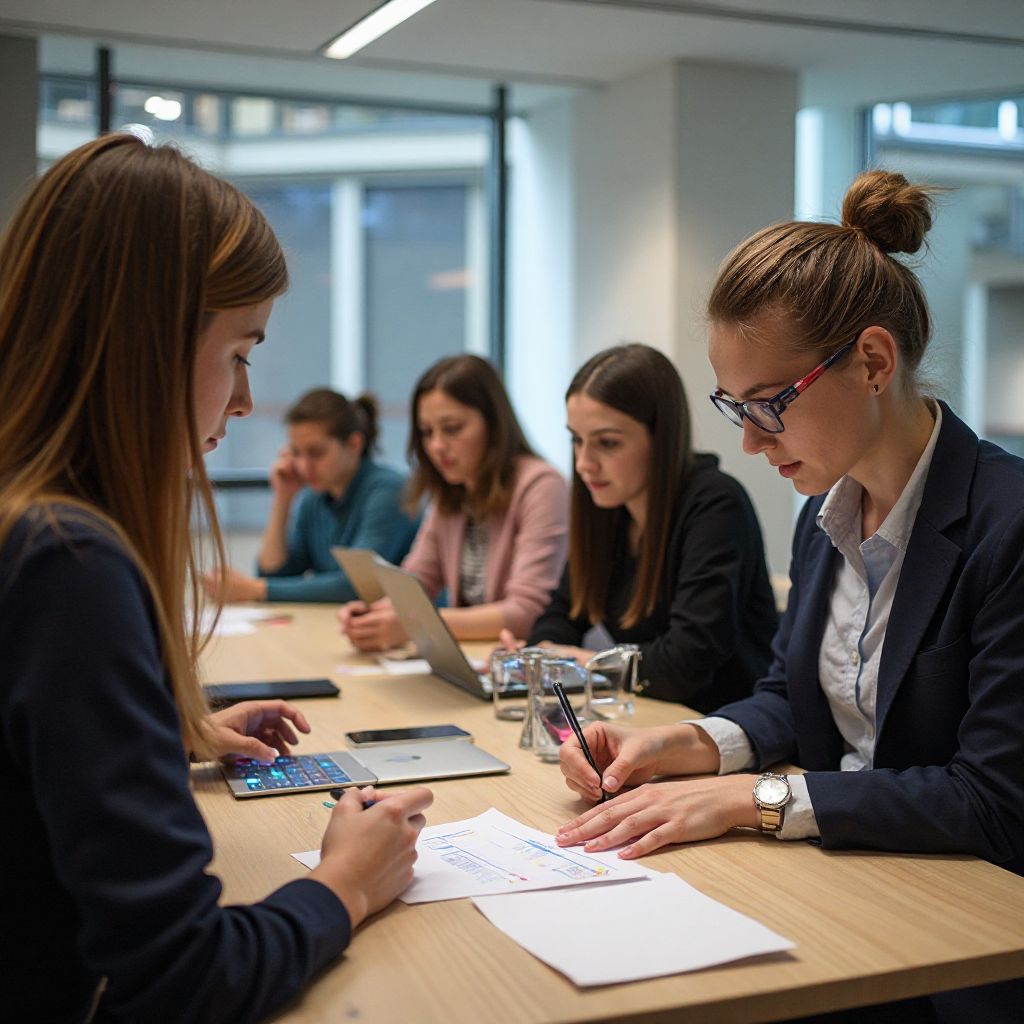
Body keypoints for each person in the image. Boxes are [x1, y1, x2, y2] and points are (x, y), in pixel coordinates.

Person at [557, 171, 1023, 1021]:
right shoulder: (824, 515)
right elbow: (789, 697)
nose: (746, 438)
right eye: (733, 404)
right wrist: (685, 745)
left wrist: (750, 798)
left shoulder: (1008, 524)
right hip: (845, 886)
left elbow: (991, 801)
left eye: (769, 405)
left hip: (960, 942)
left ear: (874, 362)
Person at [0, 134, 432, 1024]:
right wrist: (347, 883)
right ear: (148, 340)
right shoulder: (68, 562)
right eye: (239, 352)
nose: (243, 399)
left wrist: (160, 732)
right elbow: (186, 978)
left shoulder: (27, 525)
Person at [504, 343, 777, 713]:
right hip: (650, 717)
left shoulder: (716, 504)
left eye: (607, 443)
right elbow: (562, 614)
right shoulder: (608, 506)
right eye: (576, 440)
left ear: (659, 438)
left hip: (722, 726)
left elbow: (685, 664)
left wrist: (583, 660)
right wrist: (543, 652)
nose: (584, 463)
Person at [339, 354, 568, 649]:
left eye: (452, 428)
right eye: (426, 432)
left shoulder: (542, 485)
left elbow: (526, 613)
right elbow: (415, 584)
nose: (436, 445)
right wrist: (372, 615)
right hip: (480, 660)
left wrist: (415, 623)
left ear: (494, 424)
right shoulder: (452, 490)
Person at [202, 388, 418, 603]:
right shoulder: (314, 496)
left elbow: (357, 585)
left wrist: (255, 589)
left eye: (316, 453)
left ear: (354, 444)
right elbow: (274, 574)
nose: (304, 467)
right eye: (296, 453)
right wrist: (282, 499)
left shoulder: (390, 490)